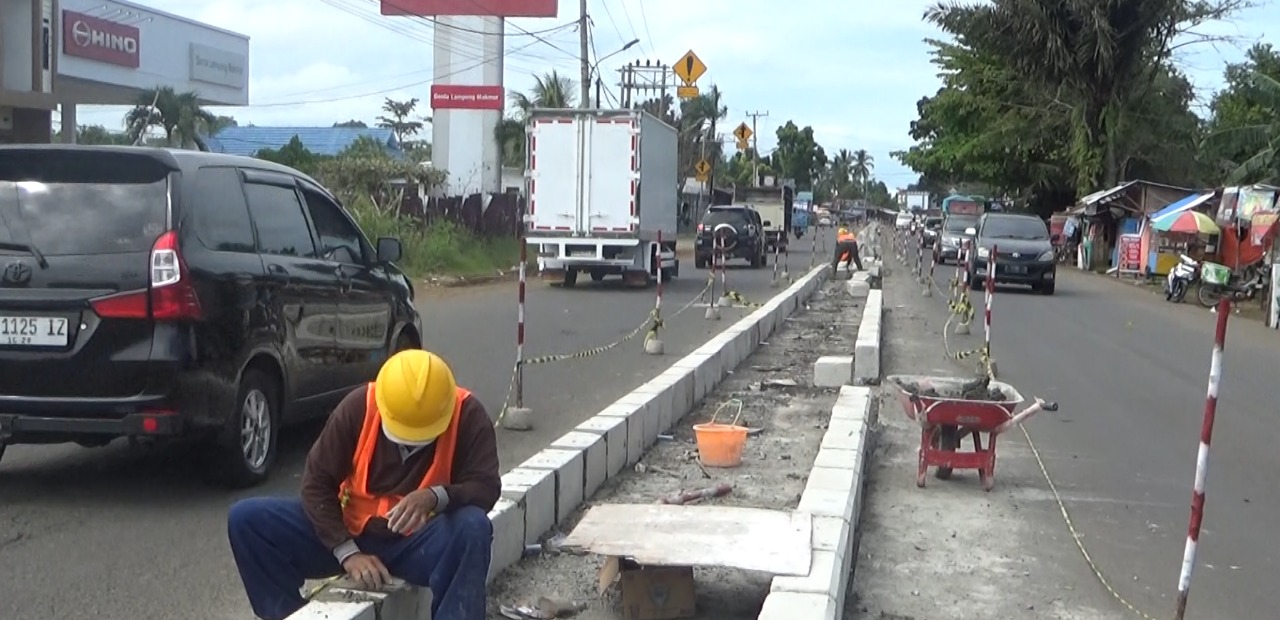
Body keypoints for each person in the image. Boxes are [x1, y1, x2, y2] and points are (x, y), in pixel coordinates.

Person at [227, 350, 501, 620]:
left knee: (473, 527)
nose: (408, 443)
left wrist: (435, 496)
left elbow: (486, 487)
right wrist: (347, 552)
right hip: (351, 530)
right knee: (247, 520)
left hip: (417, 542)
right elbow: (316, 483)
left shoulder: (467, 415)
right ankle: (288, 615)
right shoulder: (360, 406)